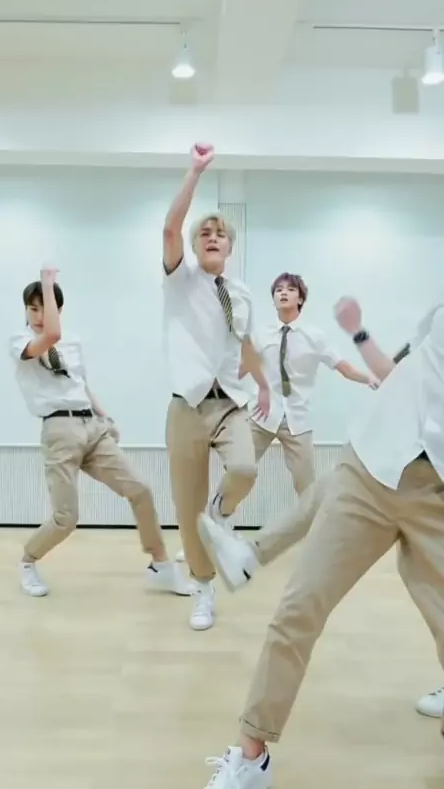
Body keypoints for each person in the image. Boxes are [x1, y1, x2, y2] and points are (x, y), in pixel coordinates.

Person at [197, 295, 444, 787]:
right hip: (372, 466)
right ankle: (251, 756)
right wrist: (358, 331)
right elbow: (399, 373)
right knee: (299, 607)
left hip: (436, 493)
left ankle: (251, 554)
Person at [9, 267, 190, 598]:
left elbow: (79, 383)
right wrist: (47, 284)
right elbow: (49, 336)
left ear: (59, 310)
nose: (38, 315)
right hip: (59, 431)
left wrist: (105, 417)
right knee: (66, 518)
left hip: (91, 427)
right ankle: (27, 561)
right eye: (32, 308)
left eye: (45, 309)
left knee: (140, 490)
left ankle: (160, 564)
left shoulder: (73, 342)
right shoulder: (20, 341)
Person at [175, 271, 377, 564]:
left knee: (308, 488)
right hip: (261, 415)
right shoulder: (260, 335)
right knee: (238, 472)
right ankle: (207, 535)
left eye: (290, 289)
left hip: (297, 421)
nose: (283, 293)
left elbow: (343, 367)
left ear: (300, 298)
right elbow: (240, 369)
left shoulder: (314, 336)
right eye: (278, 289)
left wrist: (369, 378)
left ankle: (321, 544)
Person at [163, 143, 270, 631]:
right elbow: (170, 228)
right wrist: (195, 172)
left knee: (245, 468)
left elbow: (246, 348)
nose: (211, 237)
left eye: (219, 233)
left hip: (229, 404)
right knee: (187, 510)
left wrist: (263, 387)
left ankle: (221, 511)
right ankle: (203, 589)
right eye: (204, 233)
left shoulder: (242, 294)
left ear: (230, 247)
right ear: (194, 245)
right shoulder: (180, 280)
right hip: (187, 406)